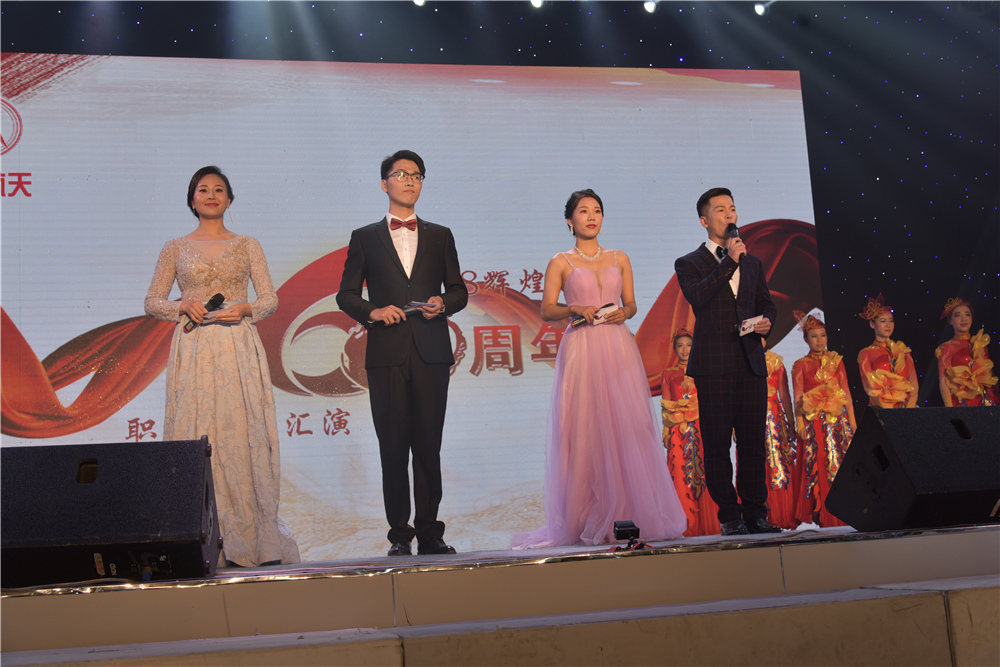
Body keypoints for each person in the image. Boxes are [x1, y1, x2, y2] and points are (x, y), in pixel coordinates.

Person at [512, 189, 687, 548]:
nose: (591, 217)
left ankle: (632, 514)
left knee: (627, 425)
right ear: (569, 220)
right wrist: (573, 309)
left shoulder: (619, 257)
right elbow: (546, 310)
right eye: (583, 211)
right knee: (586, 428)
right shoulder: (560, 261)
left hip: (618, 345)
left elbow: (631, 304)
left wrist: (625, 313)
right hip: (581, 346)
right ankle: (585, 517)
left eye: (597, 211)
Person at [145, 166, 300, 568]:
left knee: (240, 430)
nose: (211, 195)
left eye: (219, 189)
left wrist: (244, 308)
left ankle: (252, 539)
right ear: (192, 199)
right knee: (197, 430)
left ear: (230, 199)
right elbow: (152, 302)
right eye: (203, 189)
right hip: (195, 347)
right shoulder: (174, 248)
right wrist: (182, 305)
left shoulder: (248, 244)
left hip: (237, 345)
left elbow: (269, 299)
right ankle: (195, 538)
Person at [336, 150, 468, 557]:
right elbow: (346, 295)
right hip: (387, 354)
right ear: (384, 184)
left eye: (417, 175)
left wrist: (442, 303)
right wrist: (373, 312)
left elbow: (459, 291)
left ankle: (430, 533)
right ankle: (399, 535)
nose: (410, 181)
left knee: (428, 446)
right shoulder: (364, 237)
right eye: (401, 174)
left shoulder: (440, 235)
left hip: (431, 352)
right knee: (392, 447)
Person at [674, 187, 780, 536]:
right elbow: (698, 297)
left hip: (750, 362)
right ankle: (729, 516)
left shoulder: (753, 262)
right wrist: (729, 261)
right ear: (704, 221)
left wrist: (766, 322)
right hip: (713, 366)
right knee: (718, 444)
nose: (729, 214)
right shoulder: (689, 263)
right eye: (720, 209)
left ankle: (756, 514)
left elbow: (767, 304)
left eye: (732, 208)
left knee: (753, 445)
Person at [791, 312, 856, 528]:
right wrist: (800, 423)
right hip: (815, 422)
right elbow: (798, 397)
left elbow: (846, 393)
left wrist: (853, 422)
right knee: (821, 467)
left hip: (838, 422)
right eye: (814, 336)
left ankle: (847, 511)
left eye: (823, 335)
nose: (819, 341)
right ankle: (826, 514)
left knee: (841, 465)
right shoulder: (800, 364)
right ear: (806, 339)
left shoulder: (837, 361)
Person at [660, 329, 720, 537]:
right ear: (674, 349)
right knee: (680, 472)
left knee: (706, 471)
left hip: (702, 428)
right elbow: (666, 405)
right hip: (679, 430)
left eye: (688, 345)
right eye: (680, 346)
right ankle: (685, 524)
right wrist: (666, 432)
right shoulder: (668, 374)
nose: (685, 350)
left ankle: (708, 522)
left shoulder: (703, 370)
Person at [857, 293, 918, 408]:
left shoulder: (902, 350)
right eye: (883, 321)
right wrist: (888, 411)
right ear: (872, 324)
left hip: (905, 407)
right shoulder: (866, 353)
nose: (888, 325)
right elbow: (869, 387)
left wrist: (909, 409)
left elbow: (913, 383)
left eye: (891, 320)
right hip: (881, 408)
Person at [762, 338, 799, 530]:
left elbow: (784, 394)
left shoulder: (776, 362)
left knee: (780, 464)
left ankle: (783, 514)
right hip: (752, 419)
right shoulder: (742, 361)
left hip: (776, 420)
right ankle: (762, 514)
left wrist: (791, 421)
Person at [935, 298, 998, 407]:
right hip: (963, 402)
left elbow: (990, 374)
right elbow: (943, 380)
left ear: (972, 319)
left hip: (986, 400)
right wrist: (949, 409)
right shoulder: (947, 347)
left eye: (967, 314)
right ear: (950, 321)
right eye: (957, 315)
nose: (963, 319)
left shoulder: (980, 343)